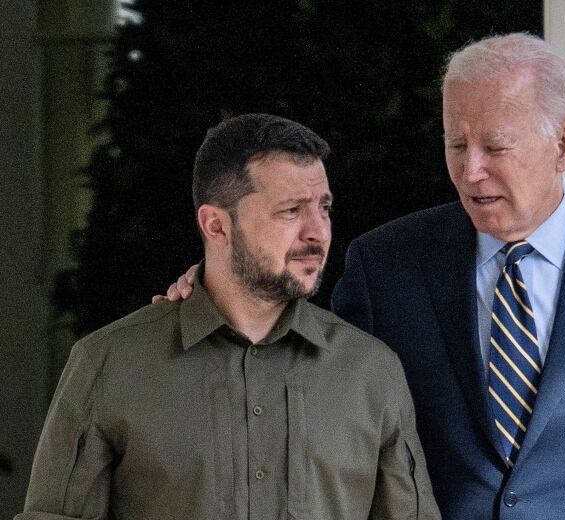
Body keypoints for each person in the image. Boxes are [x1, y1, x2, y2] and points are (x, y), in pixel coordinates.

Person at [164, 35, 565, 519]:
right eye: (455, 144)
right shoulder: (387, 265)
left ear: (562, 144)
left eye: (495, 146)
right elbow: (306, 387)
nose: (470, 170)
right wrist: (219, 290)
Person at [19, 114, 440, 520]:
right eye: (291, 211)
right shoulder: (108, 364)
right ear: (216, 226)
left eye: (324, 209)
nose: (318, 232)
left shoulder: (372, 371)